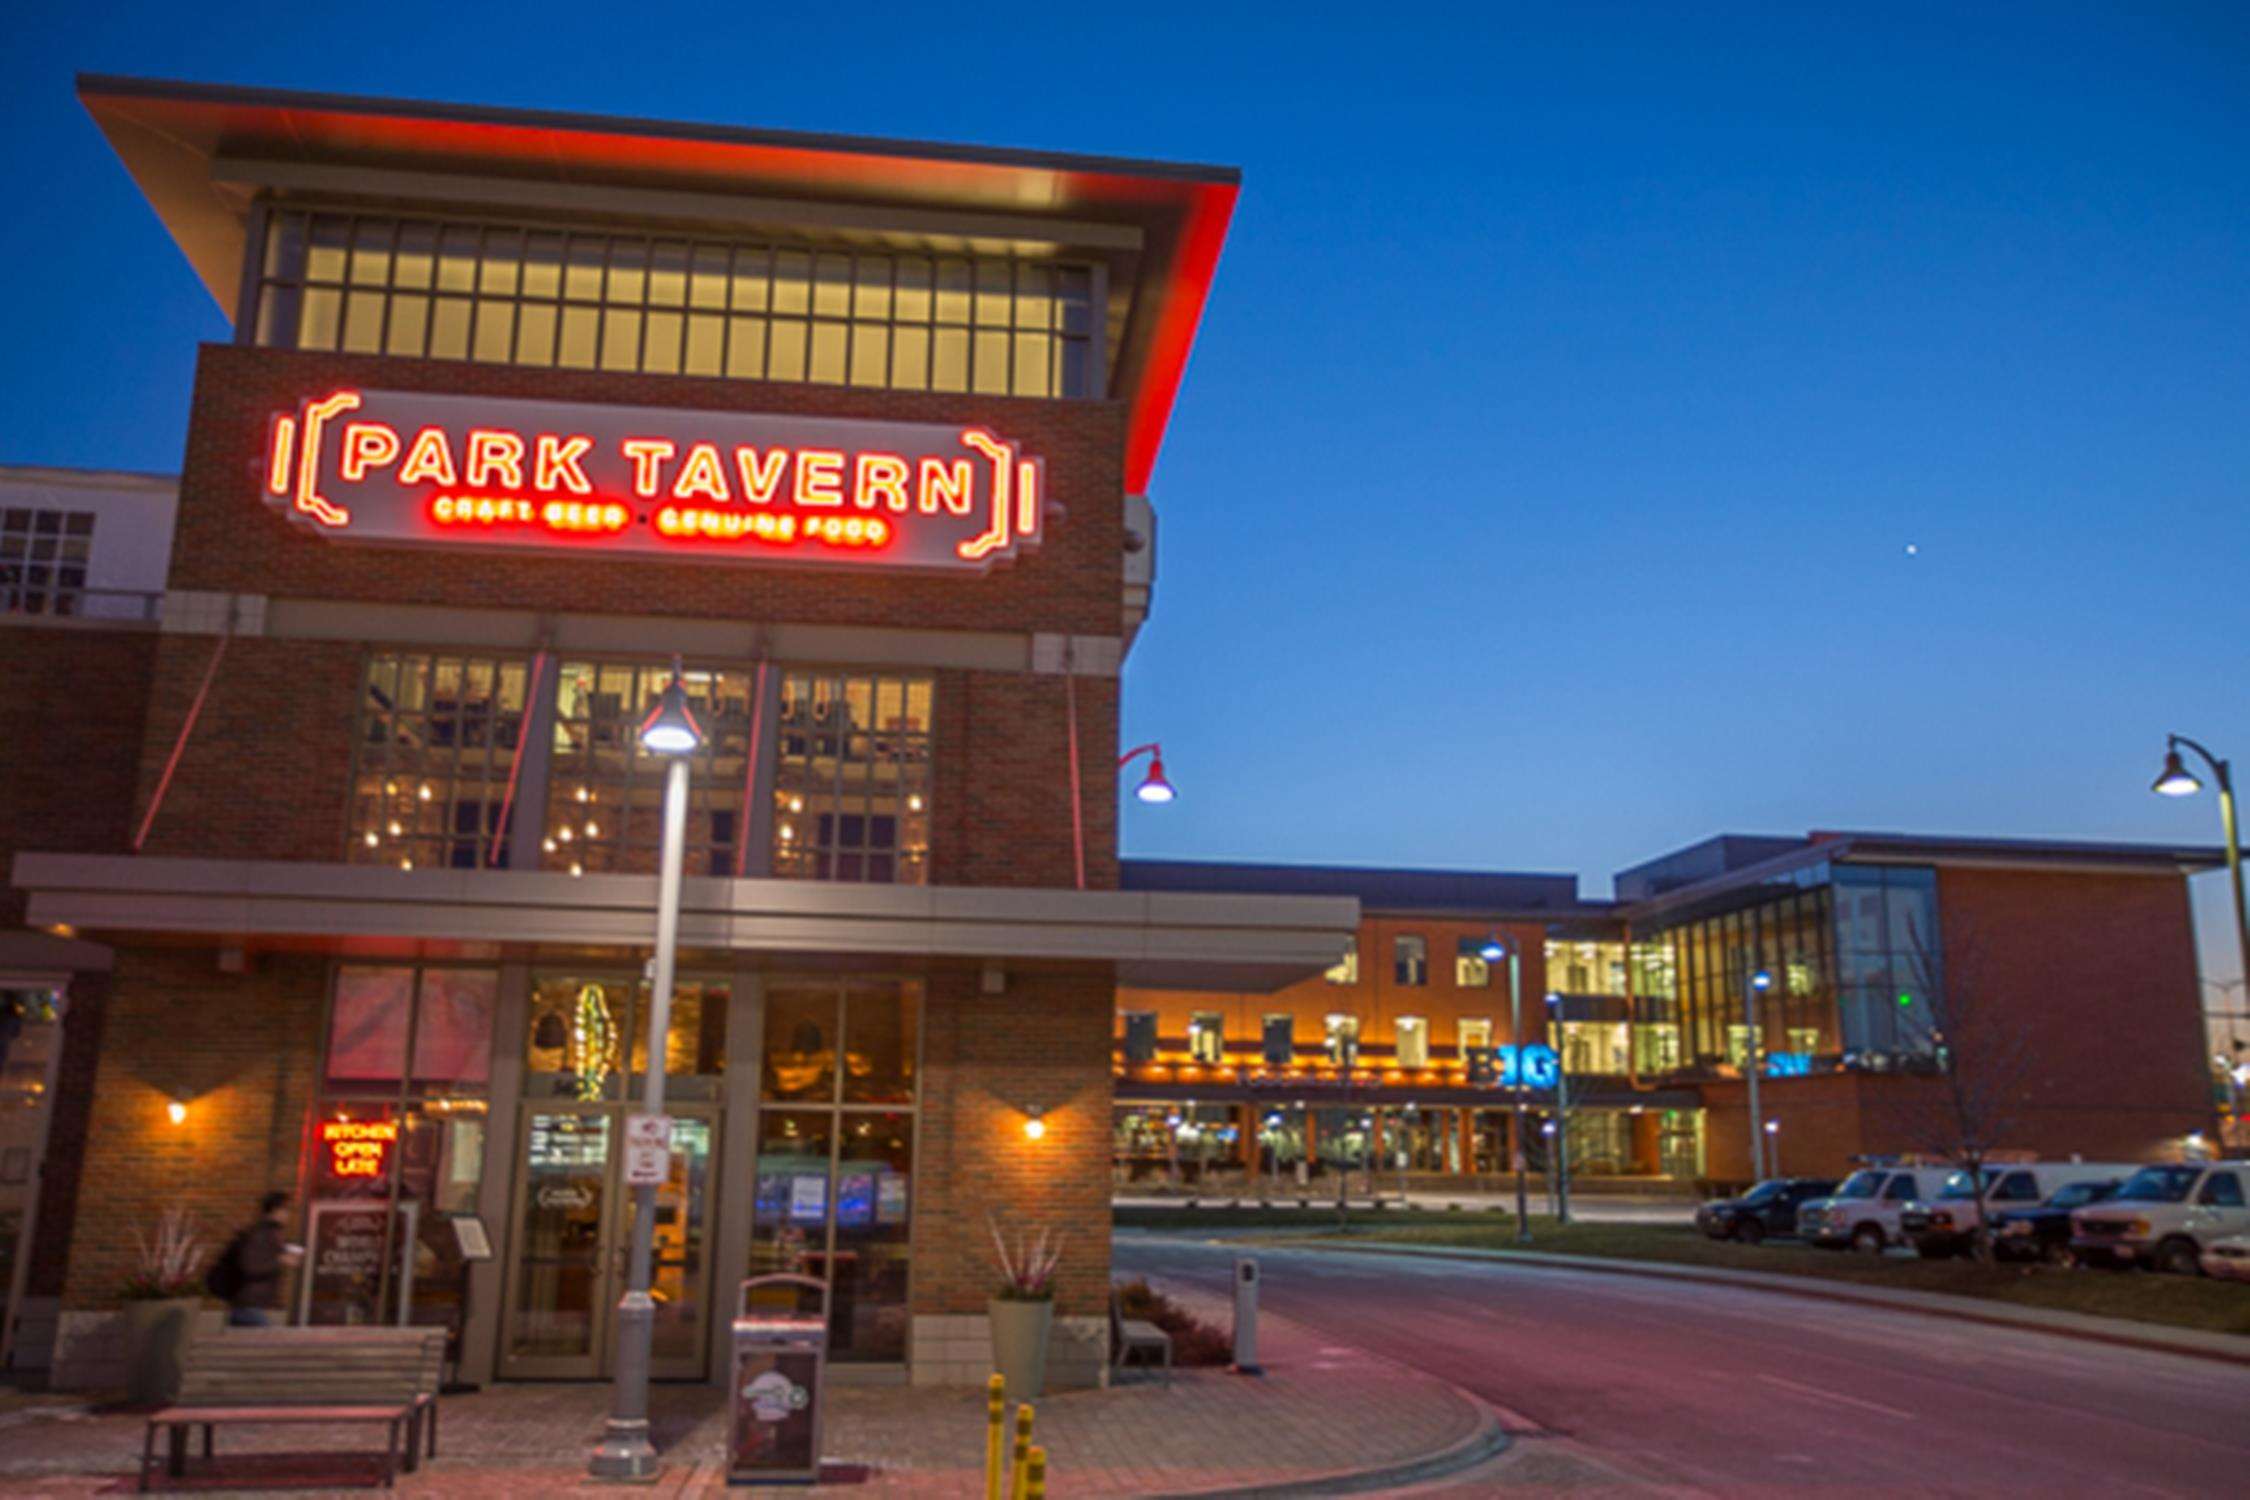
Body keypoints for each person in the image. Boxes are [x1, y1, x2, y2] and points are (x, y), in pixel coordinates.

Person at [209, 1191, 298, 1327]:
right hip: (248, 1306)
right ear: (275, 1210)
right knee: (267, 1345)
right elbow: (251, 1266)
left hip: (252, 1306)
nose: (288, 1214)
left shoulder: (271, 1232)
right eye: (286, 1209)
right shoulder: (261, 1233)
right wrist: (280, 1260)